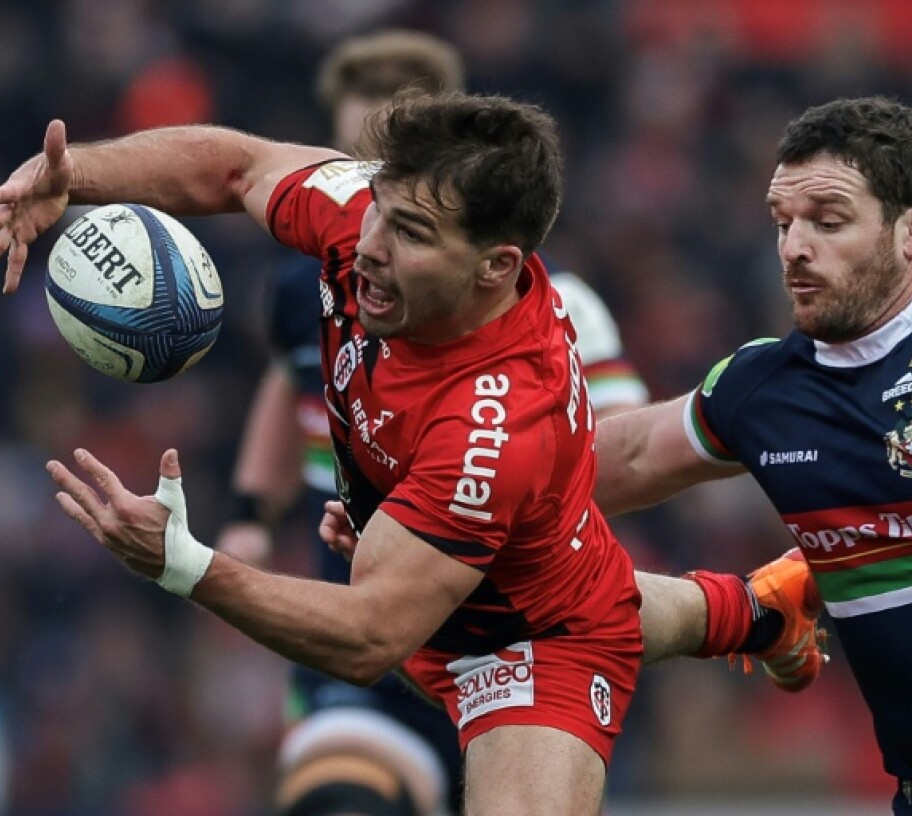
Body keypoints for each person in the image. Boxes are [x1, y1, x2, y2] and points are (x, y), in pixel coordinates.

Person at [0, 92, 825, 815]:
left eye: (409, 233)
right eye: (379, 206)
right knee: (572, 576)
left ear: (496, 267)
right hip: (446, 561)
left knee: (568, 610)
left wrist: (184, 564)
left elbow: (368, 637)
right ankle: (756, 610)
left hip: (526, 650)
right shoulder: (364, 219)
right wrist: (75, 179)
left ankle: (746, 610)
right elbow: (235, 166)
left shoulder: (496, 421)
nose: (369, 246)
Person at [594, 95, 912, 814]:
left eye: (828, 222)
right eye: (782, 223)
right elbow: (612, 464)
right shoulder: (762, 389)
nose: (793, 248)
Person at [218, 30, 649, 816]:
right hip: (358, 600)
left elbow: (618, 453)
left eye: (411, 211)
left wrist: (466, 517)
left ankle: (750, 612)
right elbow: (289, 390)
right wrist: (251, 513)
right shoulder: (313, 277)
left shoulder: (556, 316)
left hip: (508, 626)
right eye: (357, 163)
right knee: (340, 801)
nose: (369, 222)